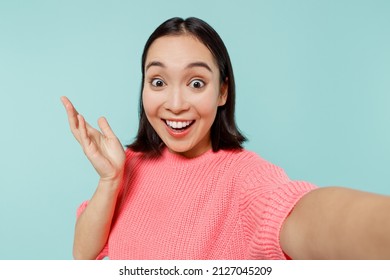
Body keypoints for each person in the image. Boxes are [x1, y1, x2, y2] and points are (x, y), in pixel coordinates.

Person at [61, 17, 390, 260]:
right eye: (158, 82)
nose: (175, 104)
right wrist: (110, 179)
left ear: (222, 91)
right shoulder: (129, 165)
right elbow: (83, 256)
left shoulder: (246, 178)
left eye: (196, 83)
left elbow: (300, 214)